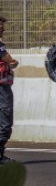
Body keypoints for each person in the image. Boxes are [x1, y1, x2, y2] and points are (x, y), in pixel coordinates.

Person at [0, 17, 19, 164]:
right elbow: (10, 60)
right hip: (2, 89)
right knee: (5, 123)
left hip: (4, 86)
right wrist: (13, 63)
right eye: (0, 27)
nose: (3, 29)